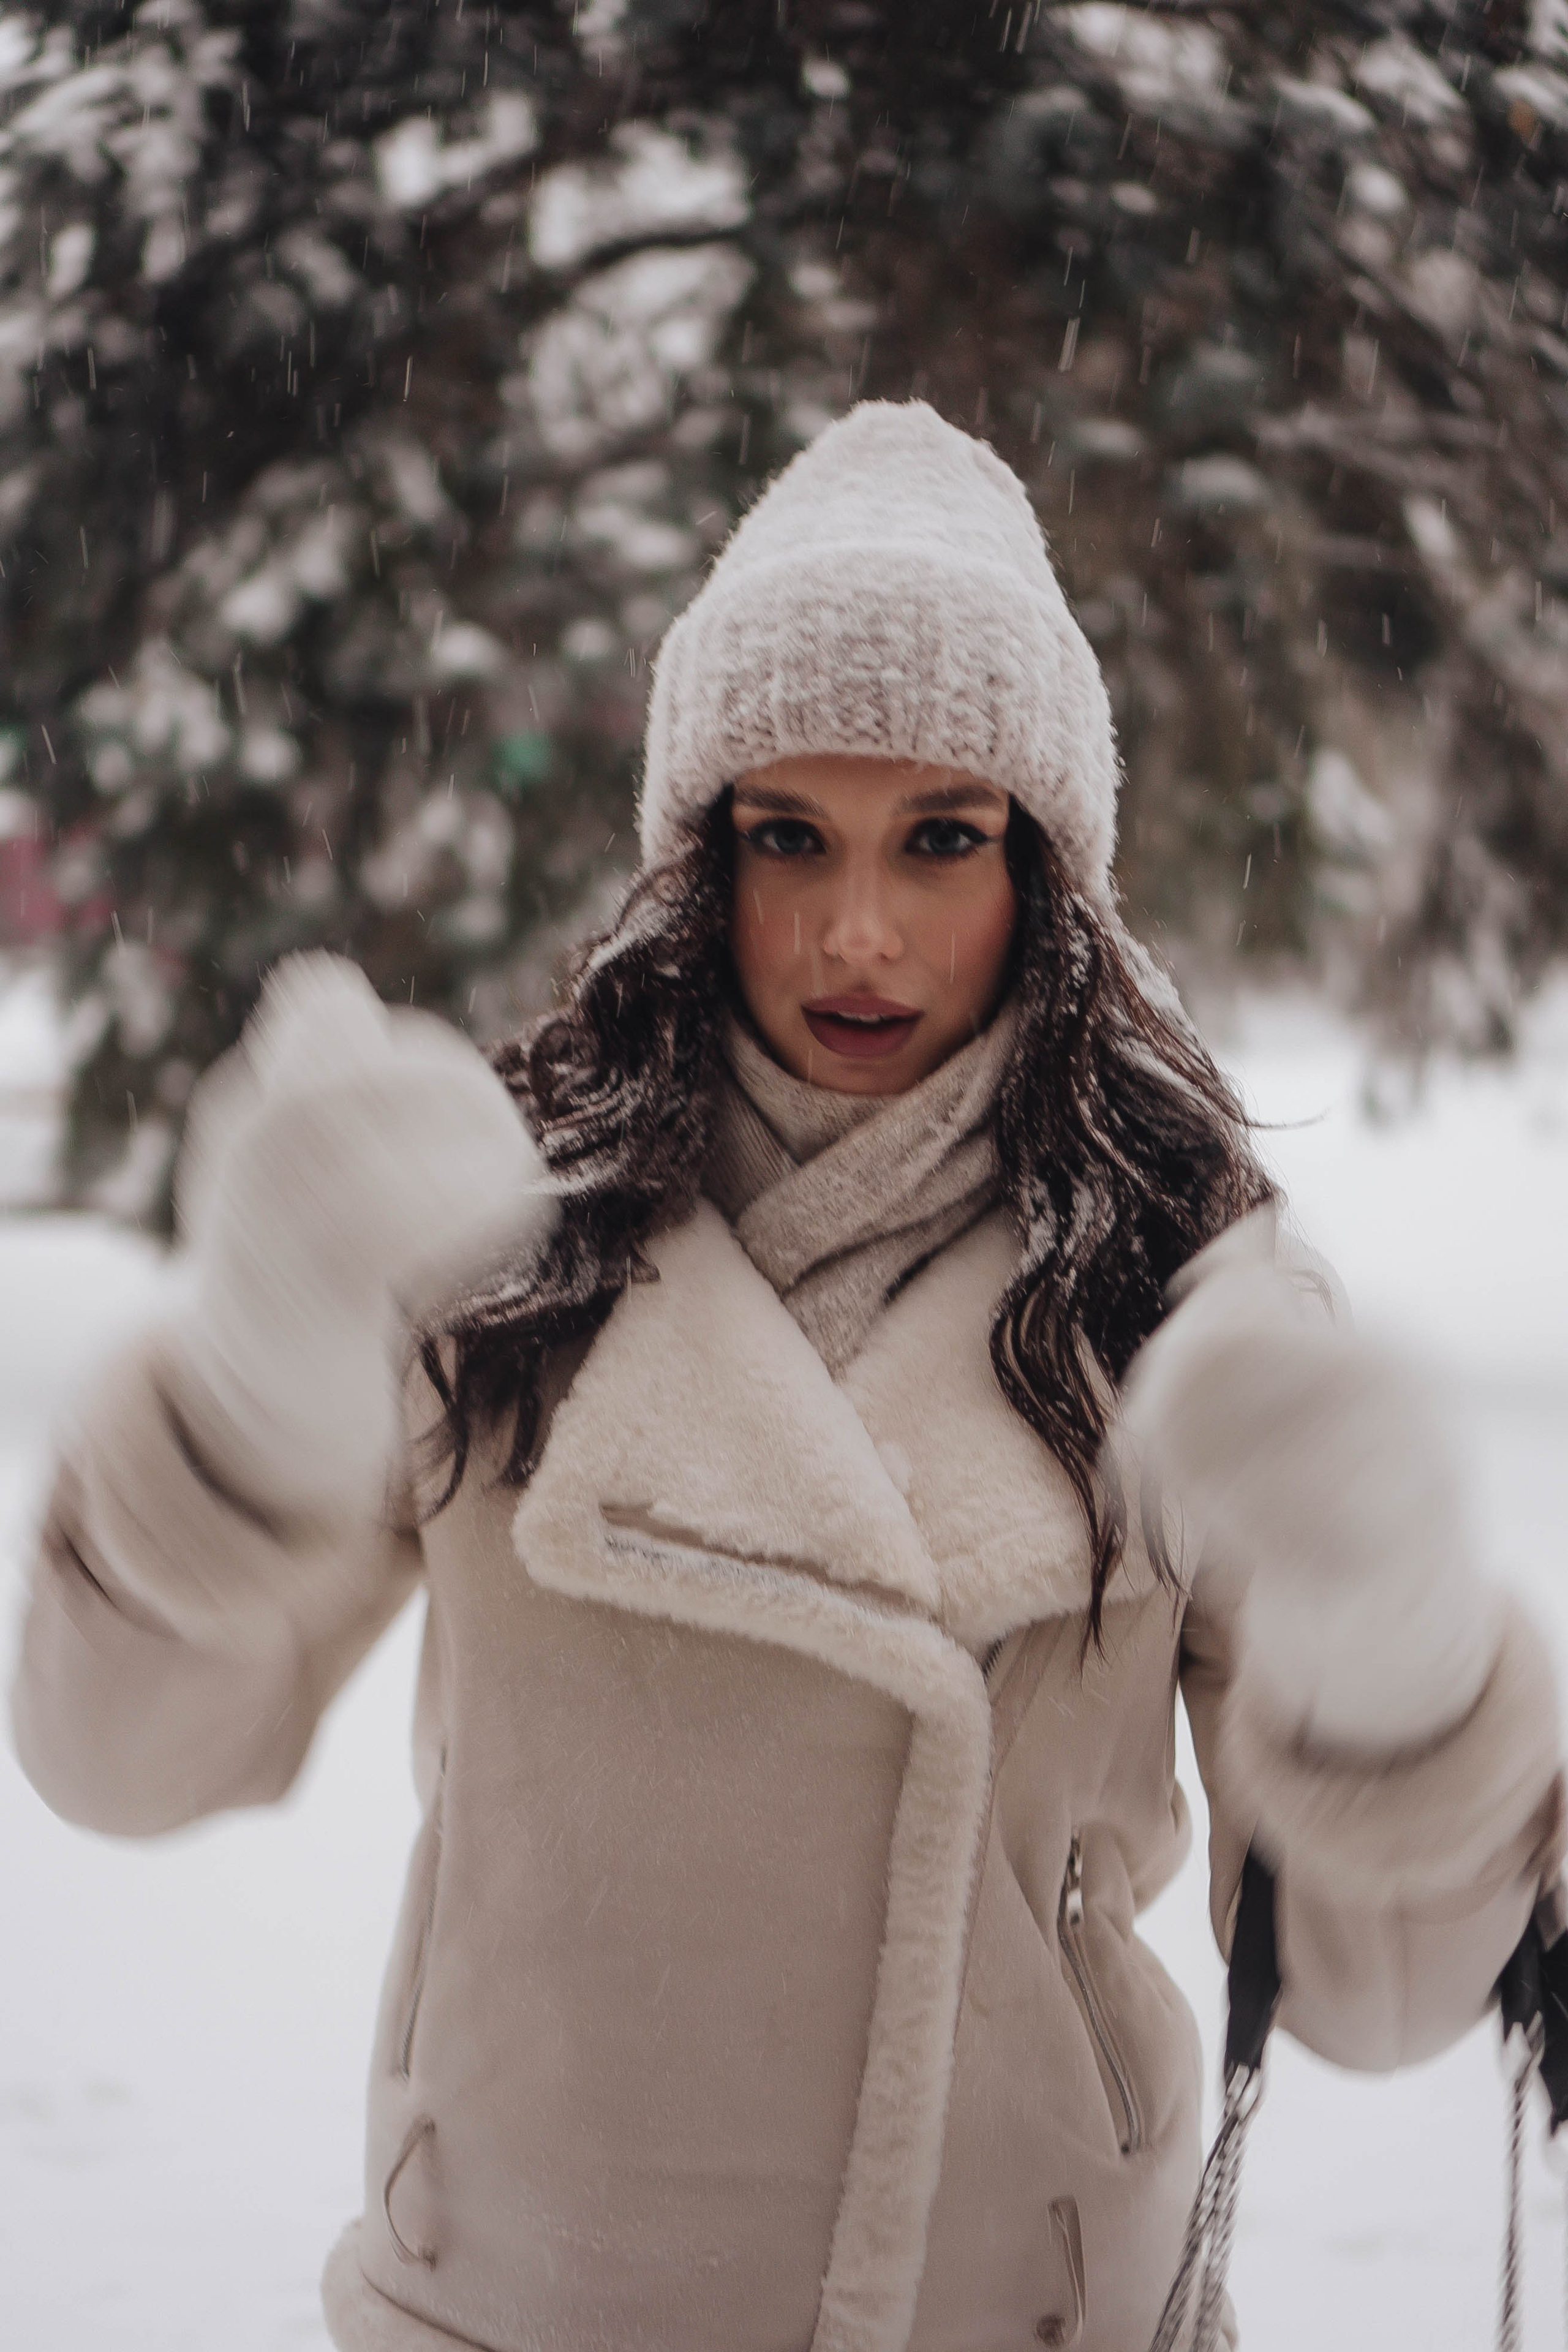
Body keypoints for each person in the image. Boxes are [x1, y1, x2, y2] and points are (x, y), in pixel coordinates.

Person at [12, 404, 1562, 2352]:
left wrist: (1395, 1648)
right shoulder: (496, 1228)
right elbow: (117, 1768)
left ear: (1048, 873)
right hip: (517, 2304)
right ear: (702, 856)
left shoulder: (1185, 1294)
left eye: (942, 839)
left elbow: (1375, 2002)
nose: (857, 931)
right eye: (790, 837)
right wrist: (251, 1390)